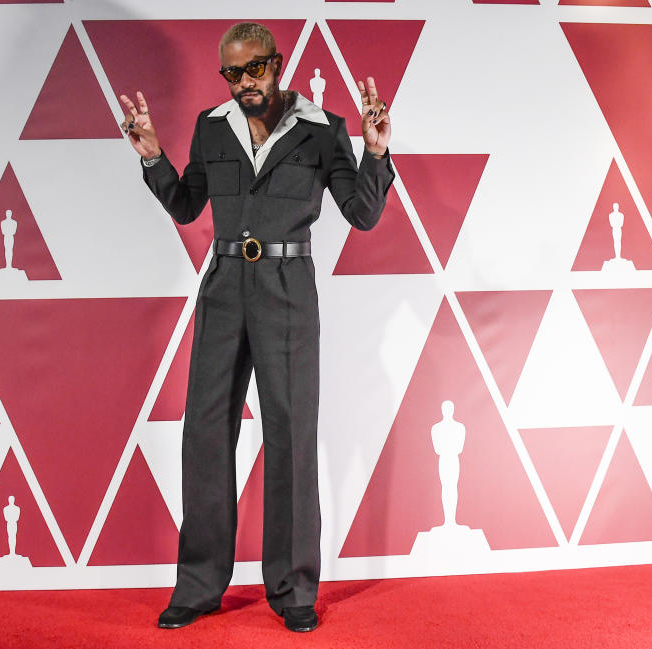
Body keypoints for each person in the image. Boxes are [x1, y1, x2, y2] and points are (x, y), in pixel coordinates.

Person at [119, 21, 394, 633]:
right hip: (222, 287)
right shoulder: (211, 126)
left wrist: (375, 152)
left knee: (291, 436)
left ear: (276, 63)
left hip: (287, 290)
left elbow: (363, 213)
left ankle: (294, 590)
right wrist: (153, 158)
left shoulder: (324, 131)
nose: (245, 82)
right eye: (233, 73)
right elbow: (190, 204)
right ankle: (197, 585)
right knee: (205, 430)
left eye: (255, 69)